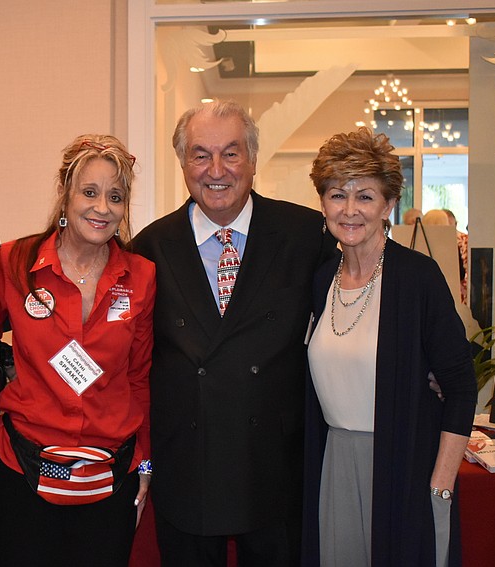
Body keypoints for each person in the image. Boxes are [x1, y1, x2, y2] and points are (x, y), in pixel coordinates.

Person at [131, 99, 337, 566]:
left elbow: (353, 309)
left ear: (253, 160)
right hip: (187, 467)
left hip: (276, 468)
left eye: (231, 152)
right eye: (201, 154)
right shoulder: (148, 248)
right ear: (183, 163)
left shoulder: (306, 235)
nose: (216, 169)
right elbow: (131, 359)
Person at [303, 127, 477, 567]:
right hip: (334, 467)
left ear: (388, 204)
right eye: (337, 194)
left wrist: (441, 482)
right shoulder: (321, 278)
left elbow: (459, 387)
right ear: (322, 202)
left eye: (365, 196)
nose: (349, 210)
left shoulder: (418, 279)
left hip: (404, 465)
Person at [0, 134, 155, 566]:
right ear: (65, 194)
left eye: (115, 197)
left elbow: (140, 376)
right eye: (90, 192)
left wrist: (145, 463)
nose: (102, 208)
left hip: (108, 475)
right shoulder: (15, 262)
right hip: (26, 468)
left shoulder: (142, 276)